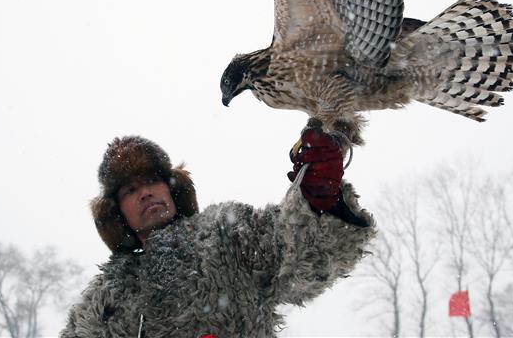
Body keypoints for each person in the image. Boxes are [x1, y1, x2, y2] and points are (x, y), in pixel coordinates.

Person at [59, 128, 375, 338]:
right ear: (117, 212)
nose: (145, 193)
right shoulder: (107, 301)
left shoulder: (227, 233)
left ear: (171, 188)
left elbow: (302, 258)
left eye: (152, 181)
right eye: (131, 189)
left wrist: (320, 198)